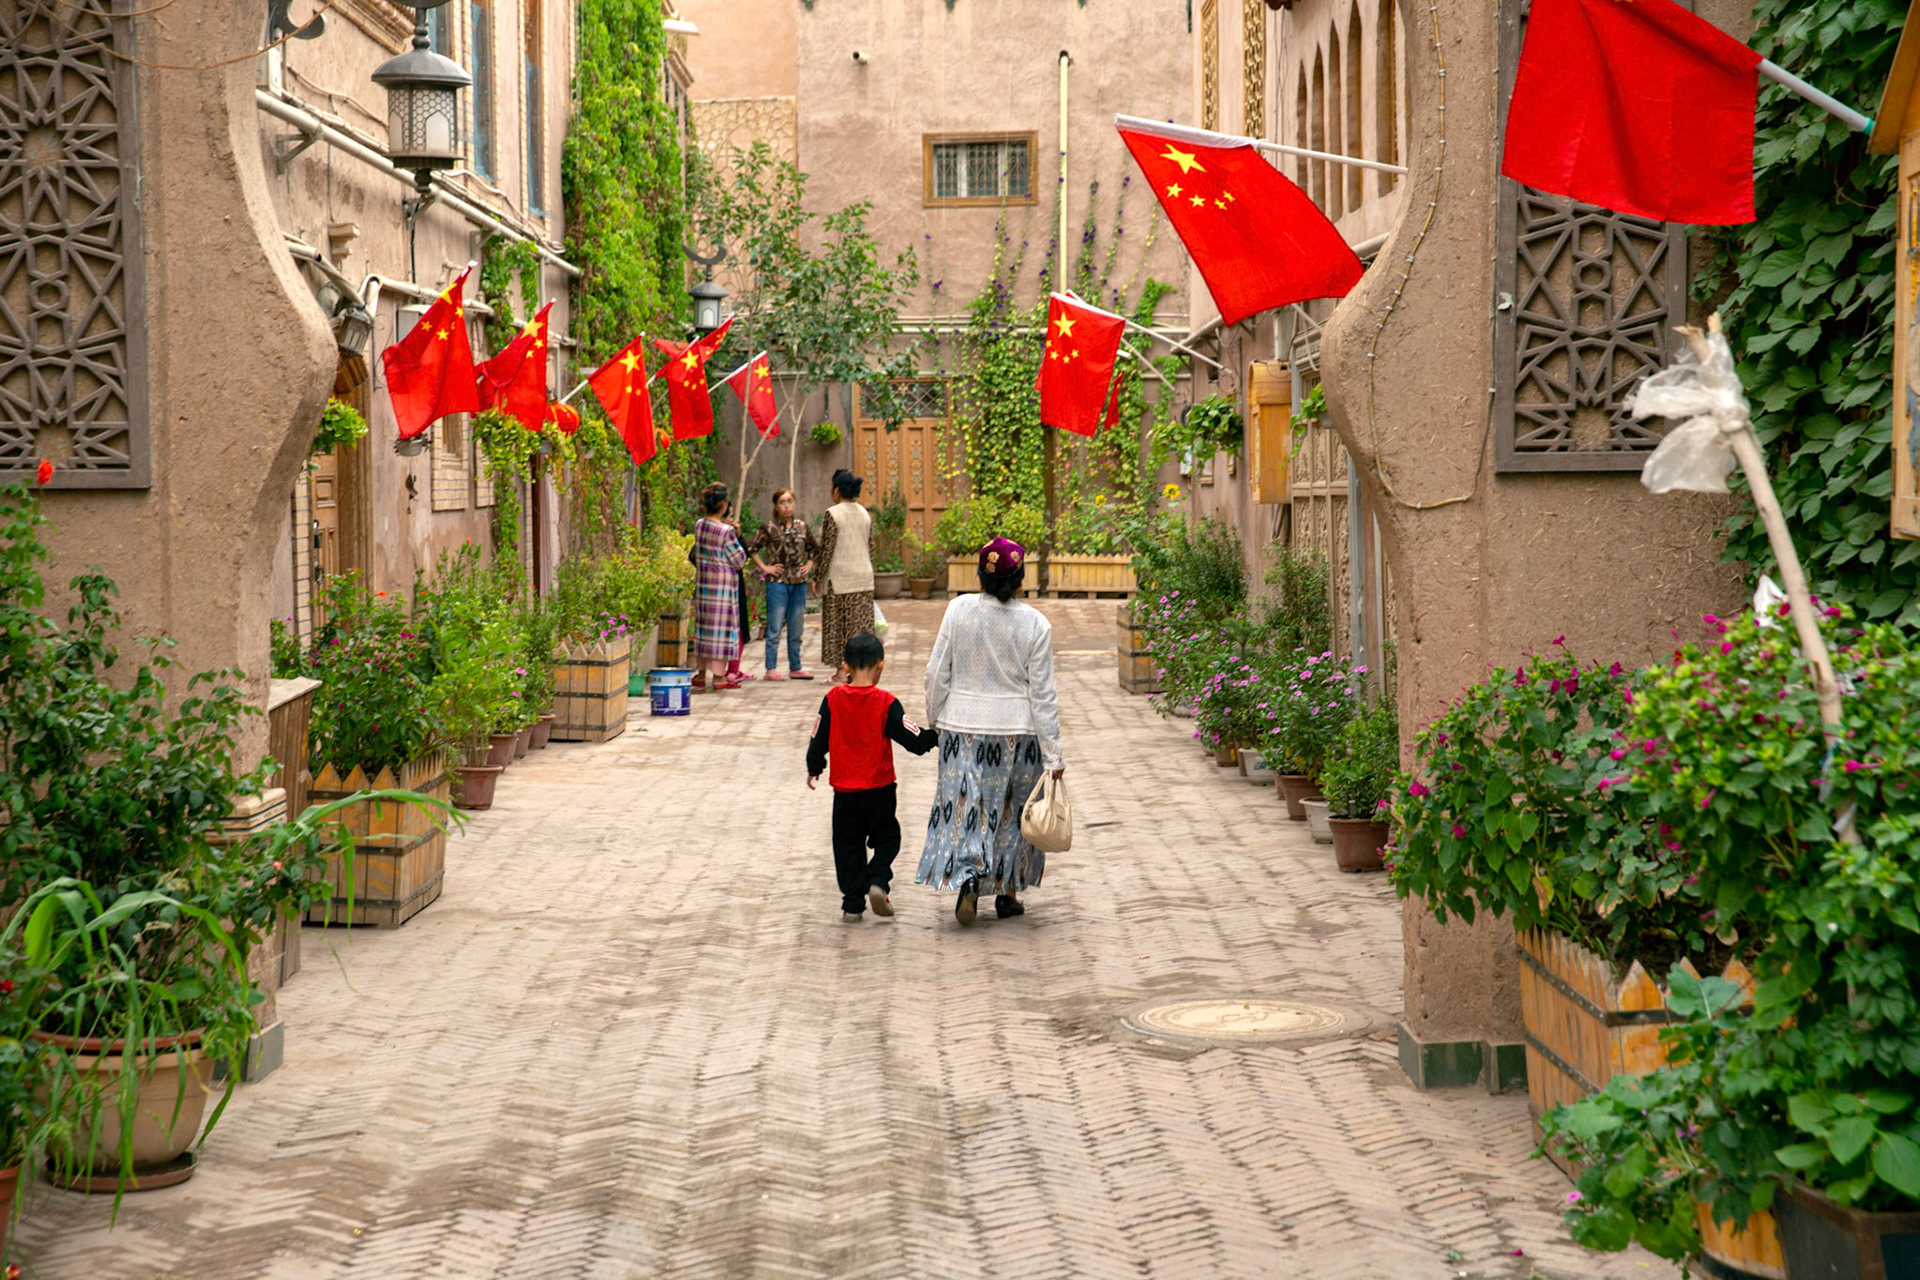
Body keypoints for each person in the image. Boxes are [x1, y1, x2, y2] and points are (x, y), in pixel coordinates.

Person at [916, 537, 1066, 926]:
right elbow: (1043, 694)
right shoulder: (1036, 624)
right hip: (1018, 732)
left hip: (961, 726)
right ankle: (1007, 894)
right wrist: (1054, 756)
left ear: (980, 575)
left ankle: (968, 879)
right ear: (1019, 580)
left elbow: (936, 672)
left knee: (966, 807)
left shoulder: (957, 610)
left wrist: (936, 720)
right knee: (1012, 812)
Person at [806, 631, 938, 921]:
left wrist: (814, 766)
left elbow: (818, 738)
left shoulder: (832, 699)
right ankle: (878, 880)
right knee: (888, 838)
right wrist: (938, 735)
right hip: (880, 790)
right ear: (882, 665)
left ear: (846, 667)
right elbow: (913, 739)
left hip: (845, 793)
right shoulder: (886, 702)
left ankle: (852, 905)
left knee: (847, 847)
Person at [748, 487, 820, 681]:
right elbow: (751, 547)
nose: (786, 506)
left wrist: (809, 566)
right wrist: (765, 567)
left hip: (799, 582)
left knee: (796, 627)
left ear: (794, 503)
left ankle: (795, 667)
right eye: (782, 502)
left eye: (789, 501)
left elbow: (814, 548)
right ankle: (770, 668)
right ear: (776, 506)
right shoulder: (769, 528)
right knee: (774, 626)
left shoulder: (802, 526)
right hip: (777, 582)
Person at [812, 469, 874, 683]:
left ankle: (841, 673)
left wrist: (817, 578)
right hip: (864, 578)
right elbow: (870, 547)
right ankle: (860, 673)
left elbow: (826, 551)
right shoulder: (865, 513)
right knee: (860, 629)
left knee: (839, 628)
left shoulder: (833, 514)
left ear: (836, 489)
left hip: (840, 580)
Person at [690, 483, 748, 693]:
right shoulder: (726, 531)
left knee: (704, 629)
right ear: (723, 505)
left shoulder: (699, 525)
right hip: (722, 588)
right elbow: (739, 559)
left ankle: (701, 674)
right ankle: (718, 676)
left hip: (704, 585)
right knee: (721, 631)